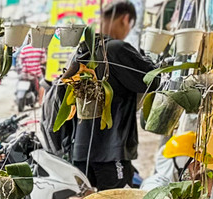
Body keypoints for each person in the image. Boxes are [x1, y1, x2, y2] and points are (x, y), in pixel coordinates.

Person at [64, 0, 154, 189]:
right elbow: (151, 80)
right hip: (111, 151)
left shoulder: (82, 52)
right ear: (125, 19)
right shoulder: (116, 49)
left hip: (80, 150)